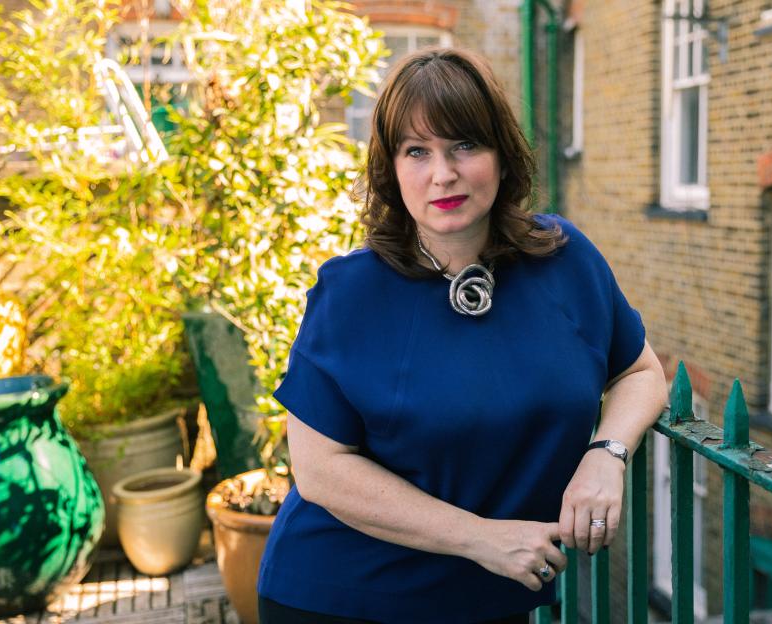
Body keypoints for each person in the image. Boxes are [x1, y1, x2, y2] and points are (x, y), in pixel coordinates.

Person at [257, 47, 669, 624]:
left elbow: (642, 372)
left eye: (464, 146)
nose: (442, 174)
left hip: (495, 596)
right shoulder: (351, 293)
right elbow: (320, 467)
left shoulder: (565, 261)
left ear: (502, 156)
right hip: (347, 597)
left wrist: (607, 453)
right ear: (392, 169)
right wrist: (480, 538)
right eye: (417, 151)